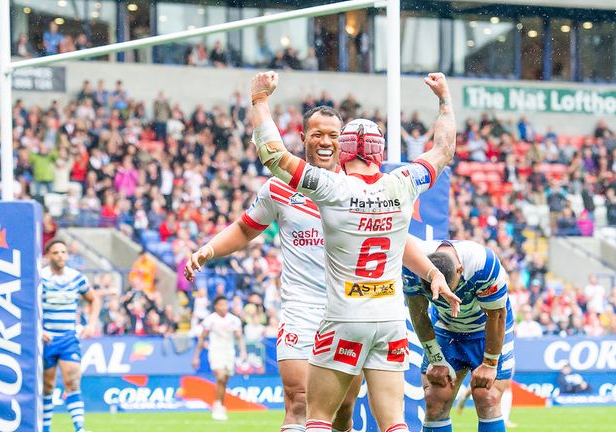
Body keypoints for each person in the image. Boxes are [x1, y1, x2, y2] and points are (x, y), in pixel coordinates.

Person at [248, 70, 460, 432]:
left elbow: (272, 153)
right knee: (393, 423)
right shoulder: (404, 182)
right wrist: (444, 100)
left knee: (315, 418)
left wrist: (260, 100)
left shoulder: (331, 187)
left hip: (344, 317)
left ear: (343, 152)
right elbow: (444, 150)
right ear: (380, 152)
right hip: (389, 320)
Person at [185, 105, 363, 432]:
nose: (325, 141)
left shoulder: (359, 188)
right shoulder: (280, 187)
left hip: (349, 310)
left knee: (342, 411)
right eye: (317, 134)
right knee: (298, 400)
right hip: (300, 309)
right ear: (303, 137)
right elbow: (244, 229)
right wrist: (208, 250)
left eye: (333, 135)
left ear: (344, 141)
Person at [404, 238, 514, 432]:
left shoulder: (483, 264)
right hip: (446, 328)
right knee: (435, 397)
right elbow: (418, 312)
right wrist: (436, 359)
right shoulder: (414, 262)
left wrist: (489, 364)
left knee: (487, 396)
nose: (445, 299)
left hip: (487, 327)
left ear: (460, 270)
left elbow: (497, 315)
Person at [41, 240, 101, 432]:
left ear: (68, 255)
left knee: (72, 382)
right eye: (55, 252)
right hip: (46, 339)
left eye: (63, 252)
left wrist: (91, 324)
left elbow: (94, 299)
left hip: (68, 338)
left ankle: (79, 428)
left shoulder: (77, 278)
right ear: (48, 255)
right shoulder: (40, 278)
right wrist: (37, 330)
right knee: (47, 386)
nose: (60, 255)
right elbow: (28, 306)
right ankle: (45, 428)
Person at [191, 295, 247, 420]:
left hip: (229, 353)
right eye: (221, 304)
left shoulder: (234, 320)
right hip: (215, 352)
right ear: (216, 306)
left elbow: (239, 337)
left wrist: (243, 351)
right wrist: (196, 356)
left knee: (224, 380)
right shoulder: (210, 320)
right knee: (220, 376)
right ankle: (217, 406)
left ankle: (220, 405)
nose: (224, 307)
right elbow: (202, 338)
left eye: (226, 304)